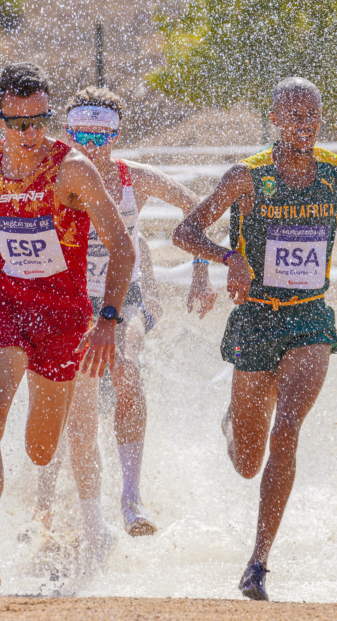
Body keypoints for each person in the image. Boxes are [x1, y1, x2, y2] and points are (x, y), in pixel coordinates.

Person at [172, 77, 337, 601]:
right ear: (275, 119)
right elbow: (186, 232)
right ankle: (232, 423)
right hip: (256, 319)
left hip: (309, 318)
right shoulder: (247, 176)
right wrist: (228, 258)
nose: (304, 125)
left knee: (288, 428)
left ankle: (258, 563)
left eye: (312, 115)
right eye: (293, 116)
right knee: (246, 463)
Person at [0, 62, 136, 594]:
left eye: (40, 121)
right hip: (7, 302)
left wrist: (108, 320)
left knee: (39, 449)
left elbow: (122, 248)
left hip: (63, 316)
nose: (31, 134)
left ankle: (73, 518)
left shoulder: (72, 170)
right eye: (19, 124)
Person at [29, 87, 216, 553]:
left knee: (128, 369)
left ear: (116, 135)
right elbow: (6, 202)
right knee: (72, 406)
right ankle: (43, 507)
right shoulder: (53, 174)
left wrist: (200, 271)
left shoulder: (136, 178)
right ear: (67, 133)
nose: (91, 146)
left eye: (102, 136)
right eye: (81, 136)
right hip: (70, 300)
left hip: (123, 297)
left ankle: (132, 498)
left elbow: (198, 208)